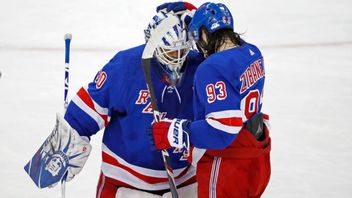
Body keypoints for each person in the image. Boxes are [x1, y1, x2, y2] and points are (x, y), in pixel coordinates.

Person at [25, 7, 204, 198]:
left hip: (184, 183)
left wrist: (205, 23)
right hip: (124, 184)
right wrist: (63, 148)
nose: (176, 60)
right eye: (169, 53)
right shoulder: (125, 66)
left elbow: (235, 64)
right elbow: (85, 114)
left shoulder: (200, 67)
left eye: (181, 52)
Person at [150, 2, 272, 198]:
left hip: (227, 165)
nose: (198, 46)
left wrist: (175, 132)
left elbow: (223, 130)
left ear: (206, 33)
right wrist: (194, 14)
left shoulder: (211, 68)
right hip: (257, 157)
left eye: (198, 36)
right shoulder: (252, 52)